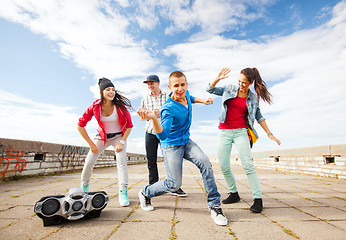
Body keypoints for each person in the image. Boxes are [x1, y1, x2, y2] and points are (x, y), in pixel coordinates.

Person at [137, 71, 228, 226]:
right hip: (171, 144)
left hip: (186, 141)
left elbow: (190, 99)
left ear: (186, 84)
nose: (180, 89)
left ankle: (215, 205)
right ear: (170, 87)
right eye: (176, 86)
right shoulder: (168, 108)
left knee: (205, 162)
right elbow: (163, 135)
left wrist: (203, 100)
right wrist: (153, 118)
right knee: (174, 184)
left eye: (182, 85)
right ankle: (145, 192)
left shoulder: (185, 95)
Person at [206, 67, 281, 213]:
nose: (241, 85)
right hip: (224, 131)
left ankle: (258, 199)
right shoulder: (229, 89)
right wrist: (218, 78)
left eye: (244, 83)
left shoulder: (253, 98)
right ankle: (234, 194)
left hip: (241, 132)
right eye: (239, 81)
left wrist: (269, 133)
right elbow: (210, 89)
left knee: (247, 165)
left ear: (251, 82)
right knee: (224, 165)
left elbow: (259, 116)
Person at [77, 77, 133, 207]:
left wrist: (122, 143)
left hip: (118, 137)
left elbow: (129, 126)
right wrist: (91, 144)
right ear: (102, 92)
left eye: (113, 89)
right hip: (101, 137)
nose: (111, 92)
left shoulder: (120, 107)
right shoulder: (94, 106)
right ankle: (84, 188)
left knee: (121, 161)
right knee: (89, 161)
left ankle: (123, 191)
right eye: (108, 89)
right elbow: (80, 125)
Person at [140, 74, 186, 197]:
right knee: (151, 160)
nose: (150, 85)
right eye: (148, 84)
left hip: (166, 132)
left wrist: (160, 112)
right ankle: (153, 187)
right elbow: (142, 117)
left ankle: (175, 187)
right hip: (150, 131)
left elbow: (175, 109)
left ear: (158, 83)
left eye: (152, 83)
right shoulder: (145, 98)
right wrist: (144, 114)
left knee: (170, 159)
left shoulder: (168, 96)